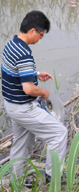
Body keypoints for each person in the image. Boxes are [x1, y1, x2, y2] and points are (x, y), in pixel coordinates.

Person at [1, 10, 68, 187]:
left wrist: (36, 73)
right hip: (23, 108)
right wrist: (44, 93)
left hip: (11, 104)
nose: (40, 38)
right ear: (32, 30)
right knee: (59, 133)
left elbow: (12, 72)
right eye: (41, 34)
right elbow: (29, 88)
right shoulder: (24, 54)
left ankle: (18, 180)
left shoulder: (11, 44)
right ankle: (52, 177)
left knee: (22, 142)